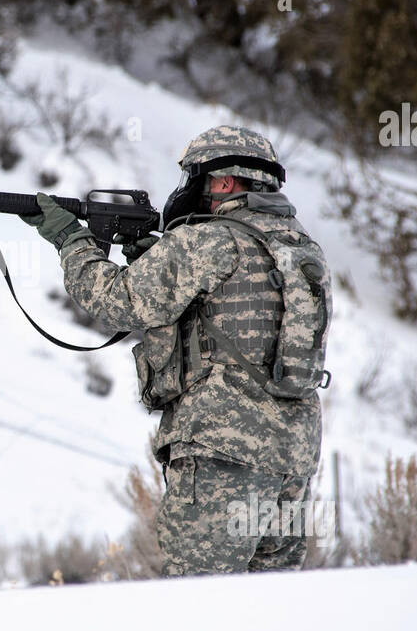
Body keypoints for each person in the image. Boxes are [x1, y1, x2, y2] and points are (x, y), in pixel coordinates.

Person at [23, 125, 332, 575]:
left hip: (223, 453)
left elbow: (118, 301)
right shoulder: (302, 249)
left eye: (196, 177)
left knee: (197, 603)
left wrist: (71, 242)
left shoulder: (211, 239)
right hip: (293, 457)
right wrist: (154, 259)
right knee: (271, 609)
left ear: (223, 181)